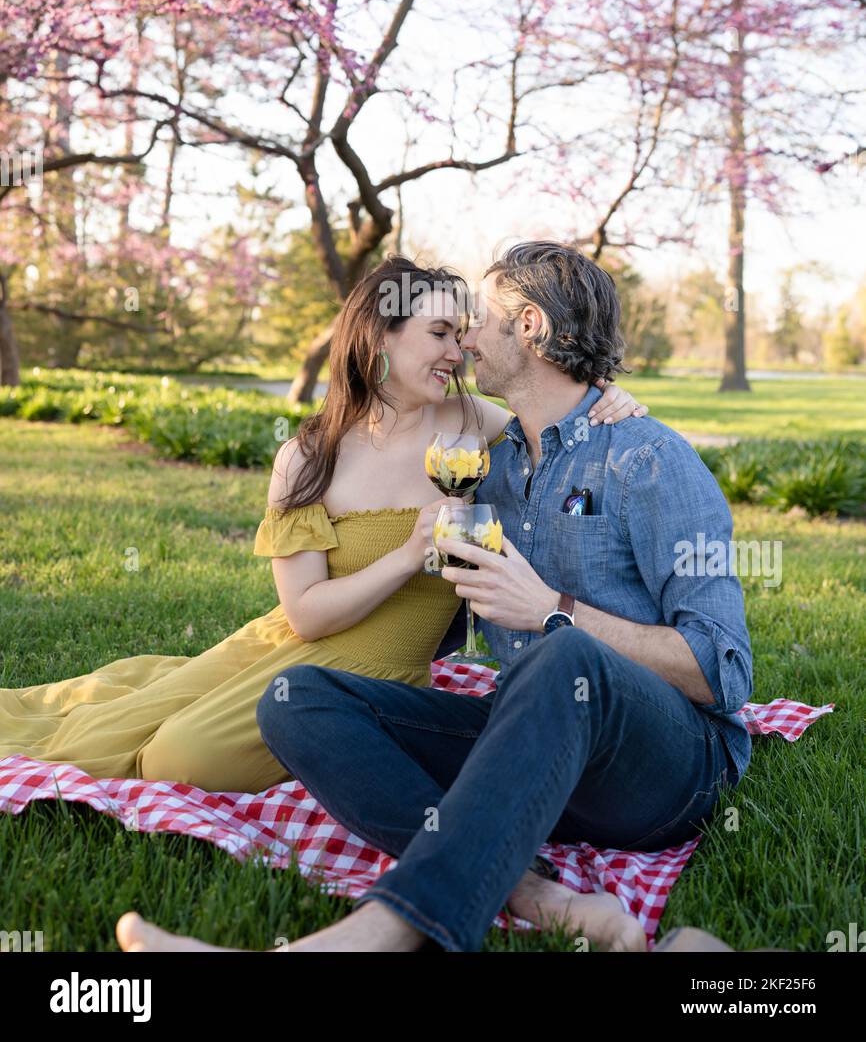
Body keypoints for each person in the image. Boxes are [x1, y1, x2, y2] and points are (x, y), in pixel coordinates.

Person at [115, 242, 756, 955]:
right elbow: (442, 613)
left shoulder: (648, 459)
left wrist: (554, 609)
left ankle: (368, 938)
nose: (465, 341)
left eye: (477, 320)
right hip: (539, 753)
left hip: (662, 771)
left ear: (532, 329)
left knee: (564, 655)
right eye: (447, 329)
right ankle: (538, 894)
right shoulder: (493, 461)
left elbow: (724, 673)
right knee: (301, 700)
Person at [0, 257, 641, 799]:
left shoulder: (475, 425)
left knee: (180, 760)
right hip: (295, 641)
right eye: (440, 332)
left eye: (463, 333)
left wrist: (612, 398)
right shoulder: (309, 457)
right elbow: (304, 616)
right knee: (131, 734)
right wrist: (411, 552)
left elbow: (559, 424)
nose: (460, 350)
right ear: (381, 337)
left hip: (383, 677)